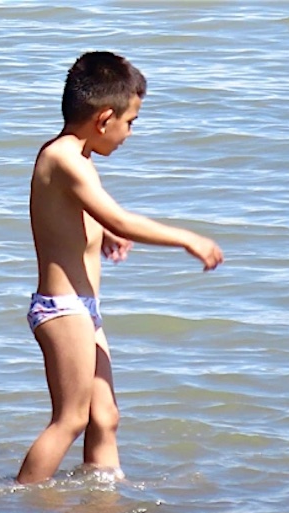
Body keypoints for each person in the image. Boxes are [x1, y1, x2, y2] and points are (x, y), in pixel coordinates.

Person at [17, 51, 223, 484]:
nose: (130, 133)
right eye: (131, 122)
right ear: (104, 118)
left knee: (105, 416)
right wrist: (187, 238)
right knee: (71, 419)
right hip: (62, 309)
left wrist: (102, 232)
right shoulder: (64, 158)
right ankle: (19, 502)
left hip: (83, 309)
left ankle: (102, 500)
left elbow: (78, 213)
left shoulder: (79, 155)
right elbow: (121, 218)